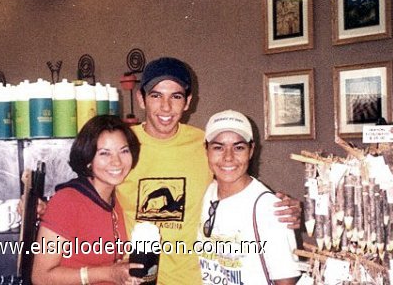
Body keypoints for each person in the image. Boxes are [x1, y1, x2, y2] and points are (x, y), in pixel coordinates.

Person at [115, 57, 301, 284]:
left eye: (176, 96)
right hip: (138, 279)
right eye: (156, 95)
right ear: (141, 99)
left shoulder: (204, 143)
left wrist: (280, 209)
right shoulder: (121, 147)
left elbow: (236, 179)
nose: (166, 107)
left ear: (188, 101)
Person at [32, 115, 143, 285]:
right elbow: (41, 277)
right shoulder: (67, 201)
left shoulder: (116, 198)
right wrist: (108, 274)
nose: (117, 161)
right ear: (88, 159)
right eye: (104, 153)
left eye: (124, 151)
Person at [197, 110, 299, 285]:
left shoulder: (271, 209)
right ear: (206, 149)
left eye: (238, 147)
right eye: (218, 147)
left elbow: (286, 280)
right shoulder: (207, 193)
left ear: (251, 151)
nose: (228, 157)